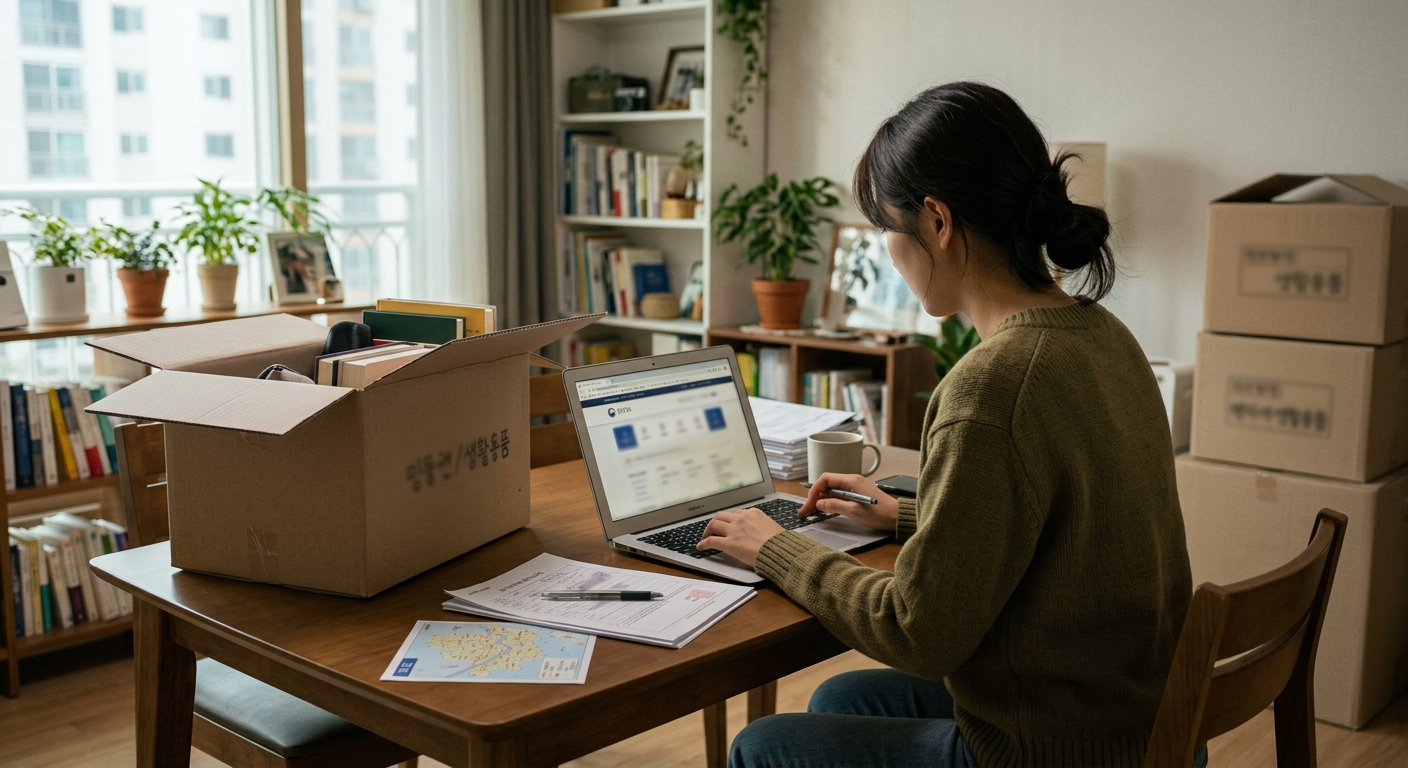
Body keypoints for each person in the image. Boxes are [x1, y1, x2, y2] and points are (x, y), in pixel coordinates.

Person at [698, 81, 1195, 768]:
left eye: (889, 231)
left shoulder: (991, 384)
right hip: (1133, 720)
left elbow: (917, 632)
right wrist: (906, 517)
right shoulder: (1105, 335)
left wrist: (774, 547)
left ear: (937, 221)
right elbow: (1072, 533)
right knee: (842, 695)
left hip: (1051, 750)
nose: (891, 258)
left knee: (761, 747)